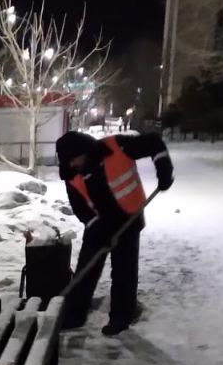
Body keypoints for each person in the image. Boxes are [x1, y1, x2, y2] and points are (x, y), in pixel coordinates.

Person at [56, 129, 174, 336]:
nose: (72, 165)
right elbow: (80, 207)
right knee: (86, 269)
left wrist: (163, 167)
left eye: (75, 159)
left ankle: (121, 317)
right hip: (98, 224)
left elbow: (154, 142)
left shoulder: (116, 147)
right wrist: (97, 226)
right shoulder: (71, 173)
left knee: (124, 272)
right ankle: (74, 316)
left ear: (85, 150)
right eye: (68, 162)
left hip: (128, 219)